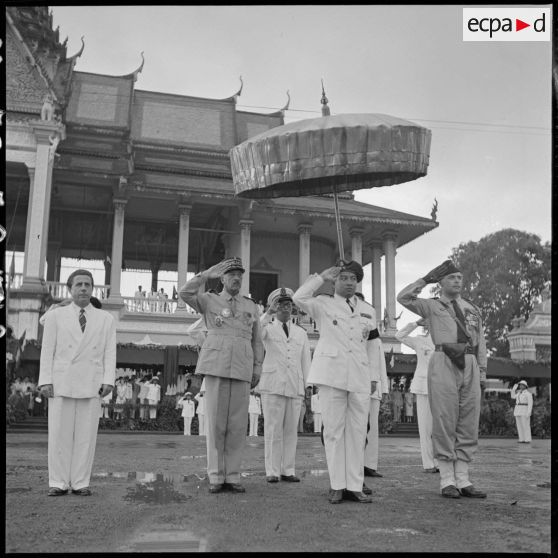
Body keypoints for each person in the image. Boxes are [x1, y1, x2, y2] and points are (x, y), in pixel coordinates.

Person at [293, 260, 384, 505]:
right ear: (335, 280)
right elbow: (299, 298)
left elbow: (373, 346)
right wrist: (321, 277)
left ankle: (354, 486)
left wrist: (374, 377)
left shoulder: (368, 310)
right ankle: (337, 485)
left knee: (356, 432)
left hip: (360, 375)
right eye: (343, 278)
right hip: (331, 374)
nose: (349, 283)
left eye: (353, 278)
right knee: (334, 432)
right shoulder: (323, 304)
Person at [397, 259, 487, 499]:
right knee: (445, 418)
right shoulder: (431, 306)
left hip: (469, 363)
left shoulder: (472, 309)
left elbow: (480, 341)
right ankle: (447, 479)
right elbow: (403, 298)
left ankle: (464, 478)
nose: (457, 281)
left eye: (459, 277)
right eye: (451, 277)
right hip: (443, 359)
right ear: (441, 282)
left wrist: (483, 370)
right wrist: (425, 279)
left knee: (468, 419)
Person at [179, 257, 263, 494]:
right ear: (223, 278)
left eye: (239, 274)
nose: (236, 278)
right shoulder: (208, 300)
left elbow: (257, 340)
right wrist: (206, 274)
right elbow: (184, 293)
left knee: (237, 425)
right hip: (216, 365)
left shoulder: (250, 306)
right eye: (230, 274)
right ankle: (216, 476)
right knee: (216, 423)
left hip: (242, 367)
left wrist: (257, 367)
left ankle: (233, 475)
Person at [38, 268, 115, 496]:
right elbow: (47, 350)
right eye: (78, 284)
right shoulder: (55, 316)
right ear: (70, 289)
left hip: (91, 382)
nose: (83, 288)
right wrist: (45, 380)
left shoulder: (106, 318)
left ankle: (81, 482)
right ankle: (58, 482)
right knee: (59, 434)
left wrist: (108, 379)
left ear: (92, 289)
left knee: (86, 436)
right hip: (61, 381)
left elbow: (109, 352)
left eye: (87, 284)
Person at [257, 287, 311, 483]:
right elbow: (255, 333)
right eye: (280, 305)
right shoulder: (267, 328)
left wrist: (307, 386)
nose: (285, 308)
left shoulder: (301, 333)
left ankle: (288, 469)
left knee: (290, 431)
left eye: (288, 305)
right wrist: (268, 313)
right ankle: (272, 471)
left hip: (294, 385)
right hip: (273, 385)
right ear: (274, 307)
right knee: (273, 430)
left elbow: (306, 361)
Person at [395, 319, 438, 473]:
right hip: (423, 387)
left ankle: (439, 461)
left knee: (439, 428)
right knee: (425, 428)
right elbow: (399, 336)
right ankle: (428, 463)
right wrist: (415, 324)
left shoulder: (446, 342)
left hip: (441, 387)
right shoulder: (420, 340)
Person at [363, 309, 389, 481]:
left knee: (372, 430)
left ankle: (370, 465)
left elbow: (381, 365)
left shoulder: (376, 339)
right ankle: (355, 464)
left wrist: (384, 389)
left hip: (374, 390)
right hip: (356, 386)